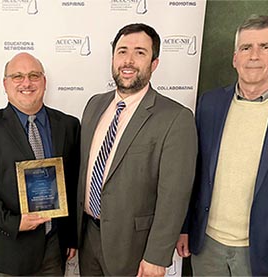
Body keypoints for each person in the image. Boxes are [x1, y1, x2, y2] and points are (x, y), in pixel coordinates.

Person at [76, 23, 198, 276]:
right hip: (88, 237)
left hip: (134, 248)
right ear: (113, 58)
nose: (128, 60)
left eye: (140, 52)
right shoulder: (94, 105)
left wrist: (156, 256)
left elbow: (174, 197)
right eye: (122, 51)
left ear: (154, 63)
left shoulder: (175, 118)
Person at [176, 15, 268, 276]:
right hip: (207, 245)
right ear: (235, 58)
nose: (254, 56)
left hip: (262, 249)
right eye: (246, 48)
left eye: (265, 47)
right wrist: (185, 226)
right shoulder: (209, 105)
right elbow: (193, 172)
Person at [0, 52, 80, 276]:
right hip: (7, 251)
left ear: (44, 82)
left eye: (33, 75)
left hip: (53, 250)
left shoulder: (68, 125)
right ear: (5, 84)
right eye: (17, 76)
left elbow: (73, 183)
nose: (26, 83)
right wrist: (14, 222)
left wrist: (71, 237)